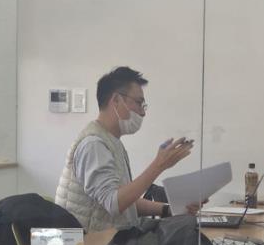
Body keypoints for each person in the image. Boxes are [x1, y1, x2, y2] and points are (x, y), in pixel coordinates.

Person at [55, 67, 196, 232]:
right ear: (116, 100)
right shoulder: (93, 145)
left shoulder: (111, 141)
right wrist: (159, 165)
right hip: (88, 243)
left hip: (108, 238)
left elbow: (126, 202)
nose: (143, 112)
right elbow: (114, 203)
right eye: (139, 103)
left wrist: (169, 210)